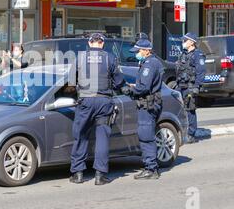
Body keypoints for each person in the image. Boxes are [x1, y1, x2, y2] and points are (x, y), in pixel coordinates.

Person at [70, 33, 125, 186]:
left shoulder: (80, 58)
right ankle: (100, 176)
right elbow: (119, 81)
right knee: (102, 138)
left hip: (85, 101)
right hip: (103, 101)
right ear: (102, 43)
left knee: (81, 135)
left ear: (89, 43)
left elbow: (70, 82)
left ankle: (78, 173)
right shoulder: (109, 58)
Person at [128, 38, 164, 180]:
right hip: (148, 102)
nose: (137, 53)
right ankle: (150, 166)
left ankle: (151, 168)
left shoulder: (150, 64)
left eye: (138, 51)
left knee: (146, 136)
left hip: (148, 104)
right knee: (145, 134)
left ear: (146, 51)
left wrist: (131, 89)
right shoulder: (149, 62)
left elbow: (144, 87)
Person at [176, 32, 206, 144]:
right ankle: (182, 131)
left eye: (185, 40)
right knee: (178, 108)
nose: (183, 42)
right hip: (180, 85)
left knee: (190, 109)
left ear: (192, 42)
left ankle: (191, 134)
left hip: (190, 86)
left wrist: (196, 86)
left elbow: (201, 72)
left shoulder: (198, 55)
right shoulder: (183, 54)